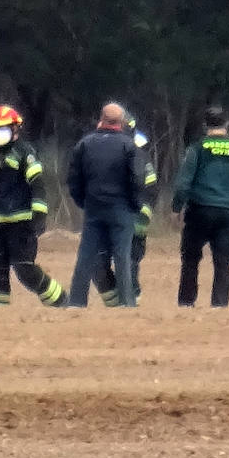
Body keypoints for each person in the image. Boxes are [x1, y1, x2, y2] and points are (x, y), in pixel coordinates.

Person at [0, 105, 71, 307]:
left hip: (21, 224)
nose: (0, 133)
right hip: (1, 225)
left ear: (15, 129)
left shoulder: (25, 153)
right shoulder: (3, 158)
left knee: (25, 270)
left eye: (4, 128)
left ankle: (62, 301)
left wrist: (39, 216)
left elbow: (38, 185)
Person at [172, 106, 229, 308]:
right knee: (223, 262)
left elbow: (183, 183)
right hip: (228, 211)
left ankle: (186, 303)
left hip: (200, 210)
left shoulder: (198, 148)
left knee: (190, 259)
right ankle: (219, 305)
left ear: (205, 125)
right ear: (227, 124)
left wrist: (176, 208)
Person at [65, 103, 144, 307]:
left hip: (93, 208)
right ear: (121, 122)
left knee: (86, 255)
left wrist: (82, 201)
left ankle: (76, 301)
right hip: (121, 209)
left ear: (101, 118)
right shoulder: (128, 145)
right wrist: (135, 205)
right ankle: (127, 302)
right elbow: (137, 179)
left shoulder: (85, 144)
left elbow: (73, 178)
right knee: (122, 257)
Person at [92, 107, 158, 306]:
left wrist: (141, 216)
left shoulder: (139, 158)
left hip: (132, 221)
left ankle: (130, 304)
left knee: (128, 263)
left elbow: (151, 190)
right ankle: (116, 304)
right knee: (97, 263)